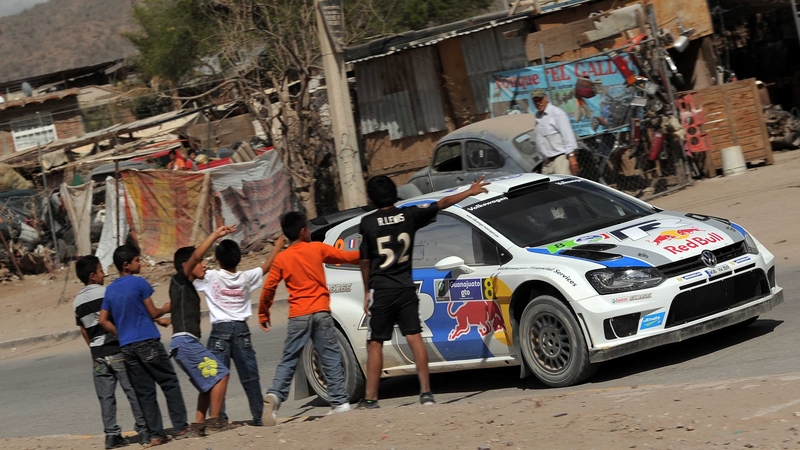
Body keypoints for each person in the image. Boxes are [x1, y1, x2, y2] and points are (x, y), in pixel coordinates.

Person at [357, 175, 489, 409]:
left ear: (372, 197)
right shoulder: (409, 215)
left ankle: (371, 398)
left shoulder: (367, 223)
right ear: (394, 192)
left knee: (375, 342)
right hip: (406, 287)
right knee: (414, 337)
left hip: (383, 290)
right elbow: (443, 202)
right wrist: (470, 191)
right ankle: (426, 393)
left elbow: (365, 261)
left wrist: (367, 290)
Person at [258, 212, 360, 425]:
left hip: (298, 316)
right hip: (321, 313)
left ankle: (275, 396)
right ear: (304, 231)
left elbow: (268, 288)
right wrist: (368, 251)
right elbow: (346, 257)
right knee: (330, 356)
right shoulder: (317, 249)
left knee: (289, 358)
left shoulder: (282, 258)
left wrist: (263, 312)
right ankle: (340, 404)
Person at [99, 245, 195, 446]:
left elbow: (103, 320)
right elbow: (152, 313)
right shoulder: (139, 283)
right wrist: (166, 308)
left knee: (145, 392)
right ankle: (180, 427)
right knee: (169, 382)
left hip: (127, 346)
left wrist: (119, 332)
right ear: (127, 265)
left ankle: (156, 434)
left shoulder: (110, 290)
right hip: (147, 341)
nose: (140, 264)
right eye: (137, 261)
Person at [193, 233, 285, 426]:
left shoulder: (211, 276)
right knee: (250, 377)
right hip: (241, 330)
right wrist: (277, 246)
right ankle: (259, 416)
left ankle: (219, 418)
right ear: (239, 259)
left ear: (217, 260)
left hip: (219, 331)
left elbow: (193, 264)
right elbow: (266, 267)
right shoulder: (246, 277)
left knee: (216, 378)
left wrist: (212, 237)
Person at [166, 225, 245, 435]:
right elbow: (196, 255)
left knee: (207, 382)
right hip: (185, 342)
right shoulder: (180, 280)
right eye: (200, 262)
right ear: (187, 265)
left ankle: (198, 425)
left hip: (184, 343)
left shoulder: (185, 289)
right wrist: (215, 236)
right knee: (221, 374)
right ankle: (215, 420)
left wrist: (162, 317)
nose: (205, 266)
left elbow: (171, 307)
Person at [73, 255, 147, 449]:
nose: (103, 274)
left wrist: (93, 350)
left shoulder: (77, 301)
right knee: (132, 389)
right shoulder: (107, 293)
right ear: (93, 275)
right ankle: (143, 427)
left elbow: (83, 329)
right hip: (116, 348)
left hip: (97, 354)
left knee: (106, 397)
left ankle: (112, 434)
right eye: (100, 270)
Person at [530, 88, 579, 175]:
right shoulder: (538, 117)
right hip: (546, 162)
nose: (538, 103)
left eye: (540, 99)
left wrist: (572, 157)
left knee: (564, 187)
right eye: (535, 101)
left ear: (546, 98)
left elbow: (568, 136)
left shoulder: (557, 113)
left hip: (560, 160)